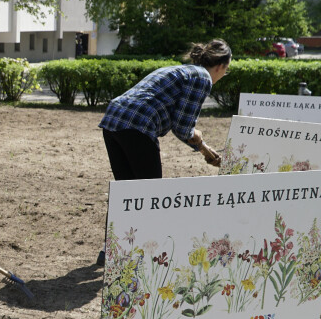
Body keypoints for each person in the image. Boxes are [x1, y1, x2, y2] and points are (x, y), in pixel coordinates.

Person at [95, 39, 230, 266]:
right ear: (221, 66)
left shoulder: (179, 70)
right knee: (151, 196)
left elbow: (179, 123)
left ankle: (109, 253)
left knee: (126, 194)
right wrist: (202, 144)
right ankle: (147, 255)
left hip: (113, 120)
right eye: (226, 71)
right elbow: (183, 125)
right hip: (138, 125)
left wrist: (203, 147)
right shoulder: (202, 78)